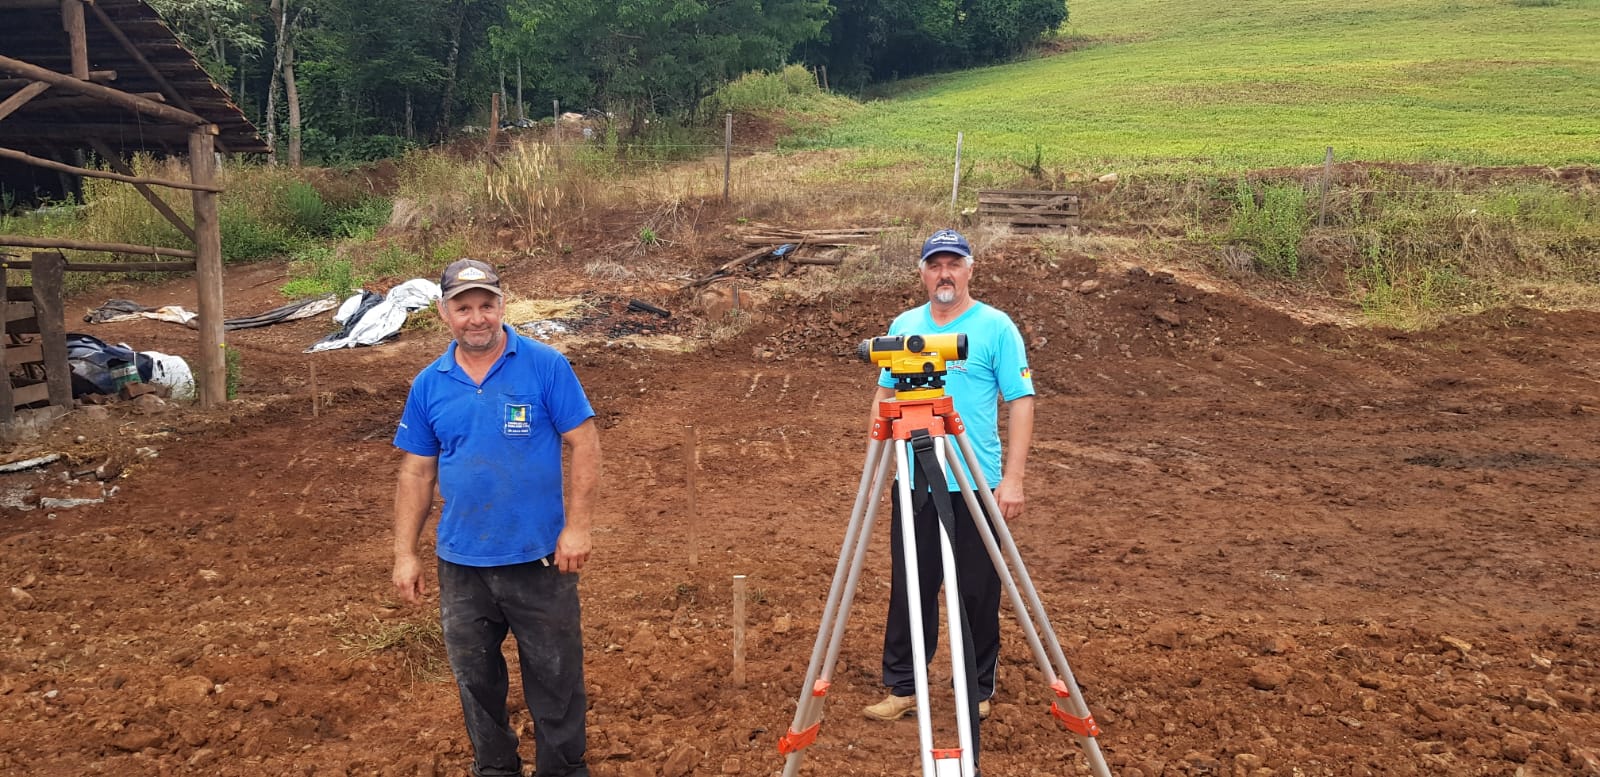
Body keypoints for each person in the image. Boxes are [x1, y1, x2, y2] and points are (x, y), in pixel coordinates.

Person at [391, 258, 601, 777]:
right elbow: (416, 472)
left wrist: (577, 527)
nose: (477, 317)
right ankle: (495, 768)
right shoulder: (429, 384)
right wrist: (404, 554)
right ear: (444, 313)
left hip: (540, 557)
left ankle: (563, 769)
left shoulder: (546, 366)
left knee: (555, 677)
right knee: (476, 681)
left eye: (486, 305)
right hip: (462, 564)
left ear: (503, 306)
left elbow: (585, 443)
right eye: (464, 308)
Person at [863, 229, 1035, 726]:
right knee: (910, 585)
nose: (945, 274)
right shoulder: (904, 325)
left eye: (953, 264)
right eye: (935, 264)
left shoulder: (996, 327)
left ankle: (975, 688)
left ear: (969, 269)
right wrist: (879, 464)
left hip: (975, 482)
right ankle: (903, 686)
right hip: (915, 479)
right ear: (922, 272)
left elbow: (1021, 402)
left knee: (976, 589)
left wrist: (1014, 479)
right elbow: (885, 397)